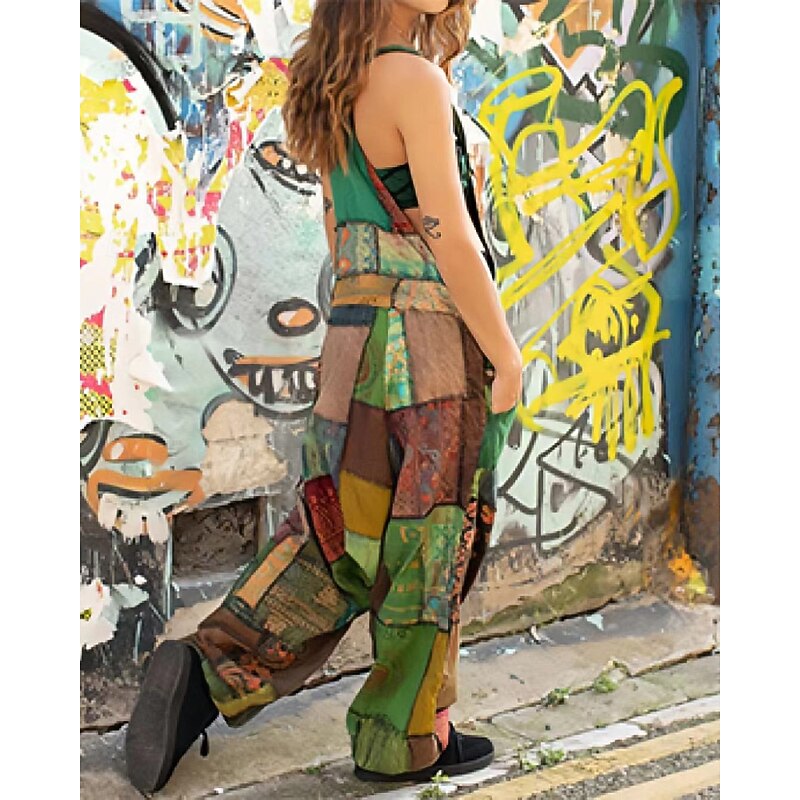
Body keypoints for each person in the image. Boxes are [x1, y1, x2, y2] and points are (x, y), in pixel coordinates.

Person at [124, 0, 523, 793]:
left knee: (335, 542)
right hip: (427, 349)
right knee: (429, 543)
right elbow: (448, 235)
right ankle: (402, 741)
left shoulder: (332, 86)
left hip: (351, 343)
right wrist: (504, 356)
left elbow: (346, 235)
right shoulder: (415, 80)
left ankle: (206, 670)